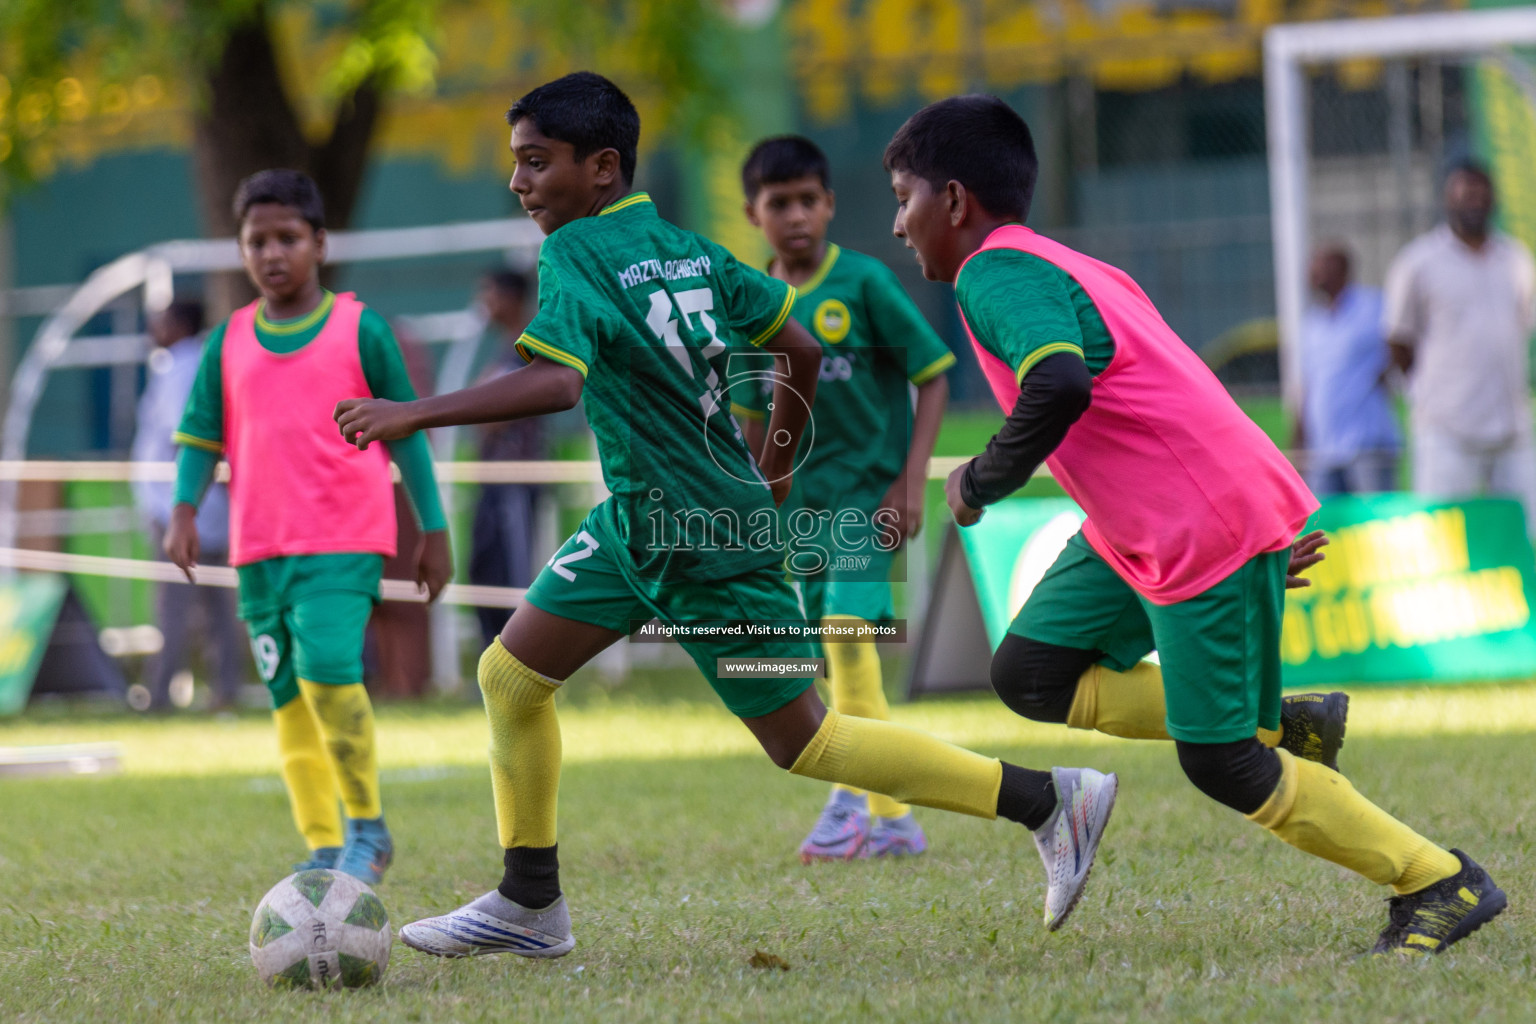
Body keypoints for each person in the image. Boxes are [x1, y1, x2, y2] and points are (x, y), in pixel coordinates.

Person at [334, 71, 1119, 958]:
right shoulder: (686, 249)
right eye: (515, 164)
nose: (517, 183)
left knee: (807, 742)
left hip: (699, 544)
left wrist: (411, 414)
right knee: (510, 678)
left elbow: (558, 381)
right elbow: (800, 346)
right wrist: (774, 470)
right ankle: (529, 902)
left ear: (600, 169)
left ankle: (1048, 799)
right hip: (640, 527)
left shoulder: (573, 254)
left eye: (534, 162)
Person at [887, 94, 1505, 956]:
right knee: (1029, 670)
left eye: (903, 196)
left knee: (1222, 764)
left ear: (953, 201)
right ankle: (1286, 724)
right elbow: (1174, 383)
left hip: (1189, 527)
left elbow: (1059, 382)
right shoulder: (1067, 263)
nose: (897, 223)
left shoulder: (994, 274)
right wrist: (1255, 511)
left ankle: (1438, 879)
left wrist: (980, 482)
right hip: (1154, 523)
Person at [166, 169, 453, 883]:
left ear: (319, 243)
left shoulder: (362, 330)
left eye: (287, 238)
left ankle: (368, 828)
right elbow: (201, 437)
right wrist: (182, 510)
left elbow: (410, 435)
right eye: (256, 240)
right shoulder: (227, 342)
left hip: (344, 541)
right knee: (287, 696)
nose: (272, 253)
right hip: (259, 551)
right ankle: (324, 847)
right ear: (240, 249)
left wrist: (435, 529)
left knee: (329, 669)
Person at [734, 135, 954, 862]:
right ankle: (883, 812)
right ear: (752, 213)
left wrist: (909, 480)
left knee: (847, 636)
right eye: (778, 204)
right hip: (798, 512)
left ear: (828, 205)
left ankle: (868, 803)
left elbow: (932, 375)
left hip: (866, 498)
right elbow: (750, 411)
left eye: (807, 201)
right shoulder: (750, 301)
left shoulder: (862, 284)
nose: (795, 216)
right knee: (829, 654)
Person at [1385, 162, 1536, 533]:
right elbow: (1398, 340)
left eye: (1483, 195)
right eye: (1466, 196)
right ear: (1446, 201)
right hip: (1447, 428)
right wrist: (1426, 391)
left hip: (1511, 428)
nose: (1476, 203)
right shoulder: (1418, 262)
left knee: (1527, 535)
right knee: (1443, 534)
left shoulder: (1515, 258)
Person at [131, 299, 245, 711]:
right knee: (216, 603)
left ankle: (161, 694)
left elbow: (189, 437)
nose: (153, 327)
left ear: (180, 323)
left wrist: (183, 505)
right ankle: (225, 689)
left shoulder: (181, 368)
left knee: (177, 604)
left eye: (161, 319)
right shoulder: (188, 364)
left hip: (180, 508)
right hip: (198, 506)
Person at [468, 269, 548, 646]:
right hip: (493, 480)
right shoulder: (502, 350)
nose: (484, 303)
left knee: (514, 576)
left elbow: (496, 414)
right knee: (483, 569)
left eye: (490, 292)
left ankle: (522, 656)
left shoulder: (529, 349)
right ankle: (493, 657)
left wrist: (484, 406)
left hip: (517, 478)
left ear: (512, 298)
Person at [1296, 244, 1400, 495]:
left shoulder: (1372, 306)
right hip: (1324, 449)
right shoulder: (1312, 323)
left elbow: (1402, 339)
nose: (1314, 273)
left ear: (1342, 270)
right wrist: (1300, 443)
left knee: (1375, 525)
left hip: (1367, 443)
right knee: (1328, 528)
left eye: (1321, 266)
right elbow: (1310, 385)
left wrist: (1387, 373)